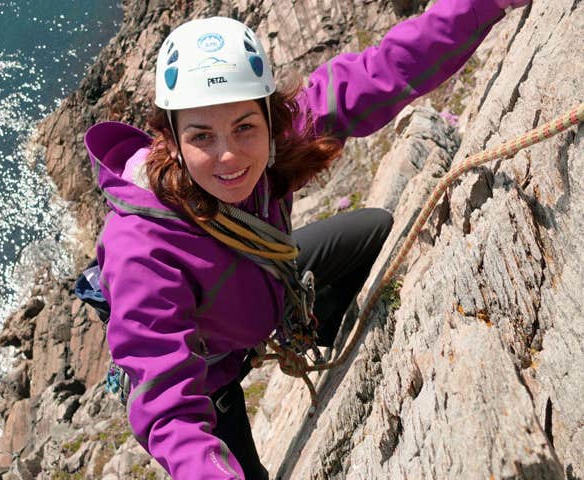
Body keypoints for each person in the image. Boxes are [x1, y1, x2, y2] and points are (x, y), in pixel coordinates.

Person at [83, 0, 531, 477]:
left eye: (244, 127)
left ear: (271, 122)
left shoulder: (279, 146)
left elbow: (381, 71)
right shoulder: (142, 246)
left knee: (373, 229)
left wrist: (483, 5)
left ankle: (313, 330)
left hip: (266, 281)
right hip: (213, 371)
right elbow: (167, 404)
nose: (229, 157)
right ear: (171, 140)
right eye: (201, 137)